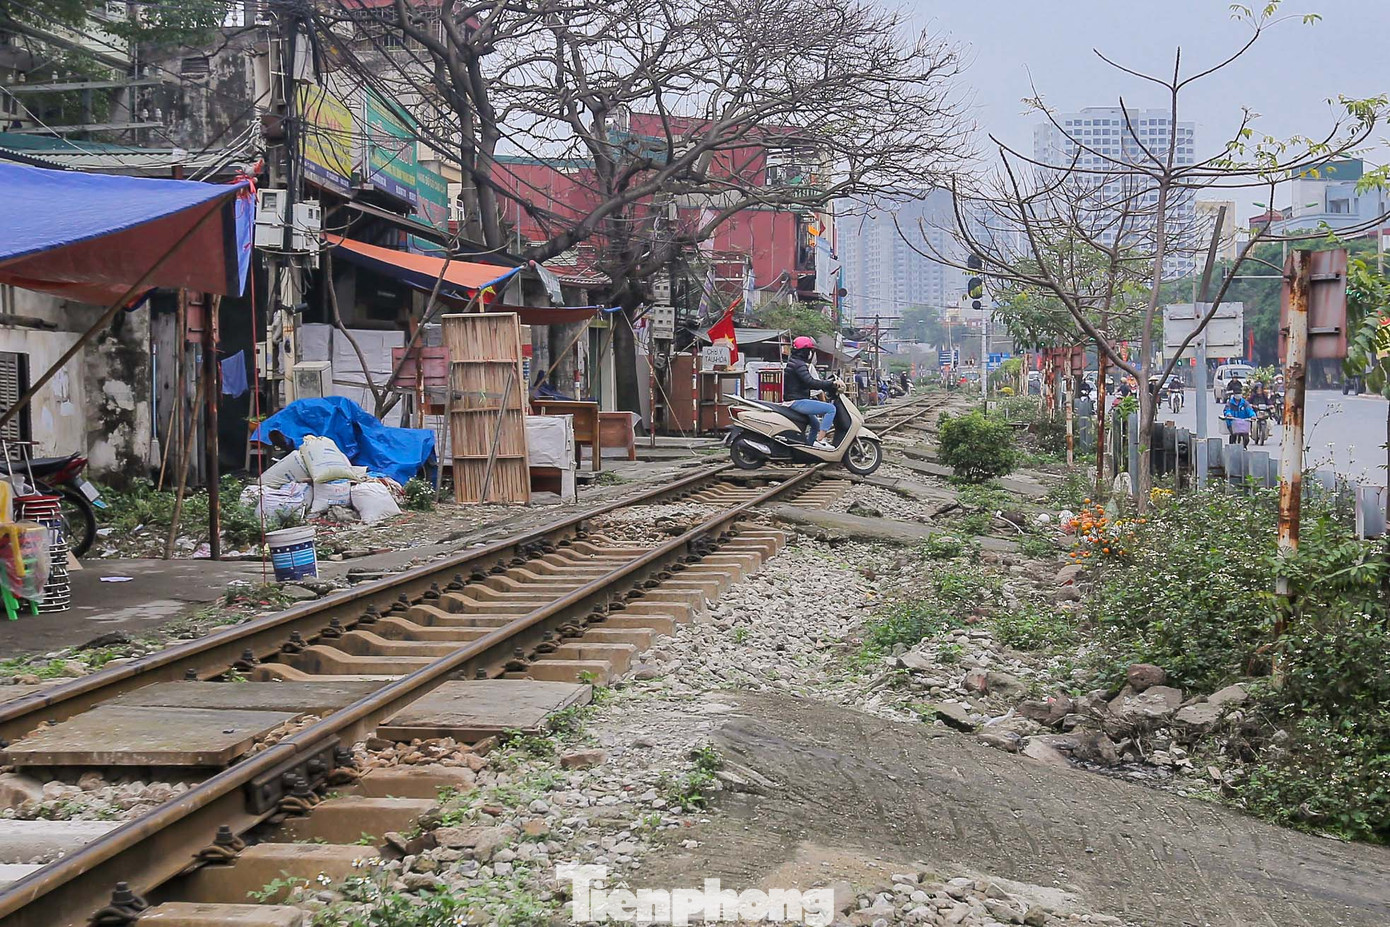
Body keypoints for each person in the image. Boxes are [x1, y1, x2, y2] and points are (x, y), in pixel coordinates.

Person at [783, 336, 837, 448]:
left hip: (794, 399)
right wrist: (830, 384)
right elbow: (810, 382)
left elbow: (806, 382)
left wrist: (826, 384)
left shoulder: (793, 362)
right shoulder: (799, 365)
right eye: (810, 351)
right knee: (831, 409)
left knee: (815, 424)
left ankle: (809, 447)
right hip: (798, 401)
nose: (811, 354)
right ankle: (820, 439)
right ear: (804, 352)